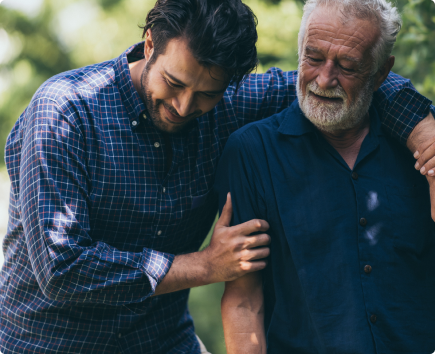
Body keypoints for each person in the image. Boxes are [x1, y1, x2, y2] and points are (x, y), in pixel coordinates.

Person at [0, 0, 434, 353]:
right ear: (149, 44)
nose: (185, 107)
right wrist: (204, 265)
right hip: (47, 344)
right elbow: (62, 270)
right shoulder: (64, 112)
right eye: (174, 83)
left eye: (206, 94)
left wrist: (426, 139)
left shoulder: (232, 101)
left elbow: (349, 82)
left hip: (161, 343)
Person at [216, 0, 435, 353]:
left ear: (381, 73)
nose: (324, 79)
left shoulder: (422, 141)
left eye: (347, 66)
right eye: (313, 58)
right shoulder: (252, 151)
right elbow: (244, 300)